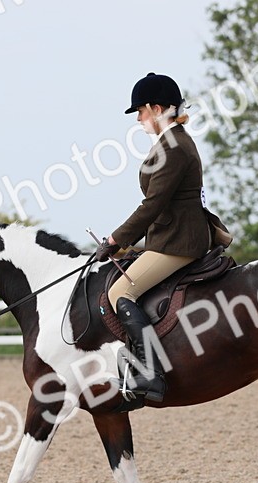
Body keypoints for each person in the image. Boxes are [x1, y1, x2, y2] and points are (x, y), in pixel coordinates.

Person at [94, 72, 215, 405]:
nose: (138, 119)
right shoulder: (170, 142)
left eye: (141, 112)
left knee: (121, 291)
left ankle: (151, 373)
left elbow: (153, 205)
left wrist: (116, 240)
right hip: (170, 236)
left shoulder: (174, 146)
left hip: (179, 242)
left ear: (157, 108)